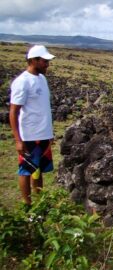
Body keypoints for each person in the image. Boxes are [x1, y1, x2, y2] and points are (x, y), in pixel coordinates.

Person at [9, 45, 55, 205]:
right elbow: (13, 111)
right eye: (44, 61)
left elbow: (42, 108)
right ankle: (27, 204)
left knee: (39, 169)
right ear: (34, 60)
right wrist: (18, 140)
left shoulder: (42, 79)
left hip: (43, 134)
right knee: (26, 170)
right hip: (29, 135)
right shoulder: (22, 82)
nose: (47, 64)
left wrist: (49, 133)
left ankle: (39, 201)